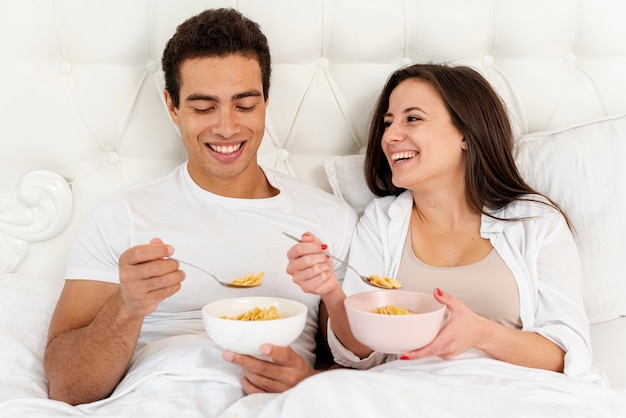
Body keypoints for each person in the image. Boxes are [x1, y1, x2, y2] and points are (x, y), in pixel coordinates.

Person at [43, 8, 357, 409]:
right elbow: (68, 387)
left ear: (266, 100)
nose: (226, 127)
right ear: (172, 107)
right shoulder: (122, 217)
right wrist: (127, 306)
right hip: (155, 399)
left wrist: (309, 382)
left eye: (244, 105)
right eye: (204, 107)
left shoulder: (329, 220)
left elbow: (357, 365)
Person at [286, 63, 593, 376]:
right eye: (388, 123)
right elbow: (360, 356)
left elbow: (568, 355)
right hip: (406, 391)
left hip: (513, 392)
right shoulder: (381, 222)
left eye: (413, 118)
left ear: (466, 133)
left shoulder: (536, 221)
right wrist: (331, 292)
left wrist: (482, 333)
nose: (389, 136)